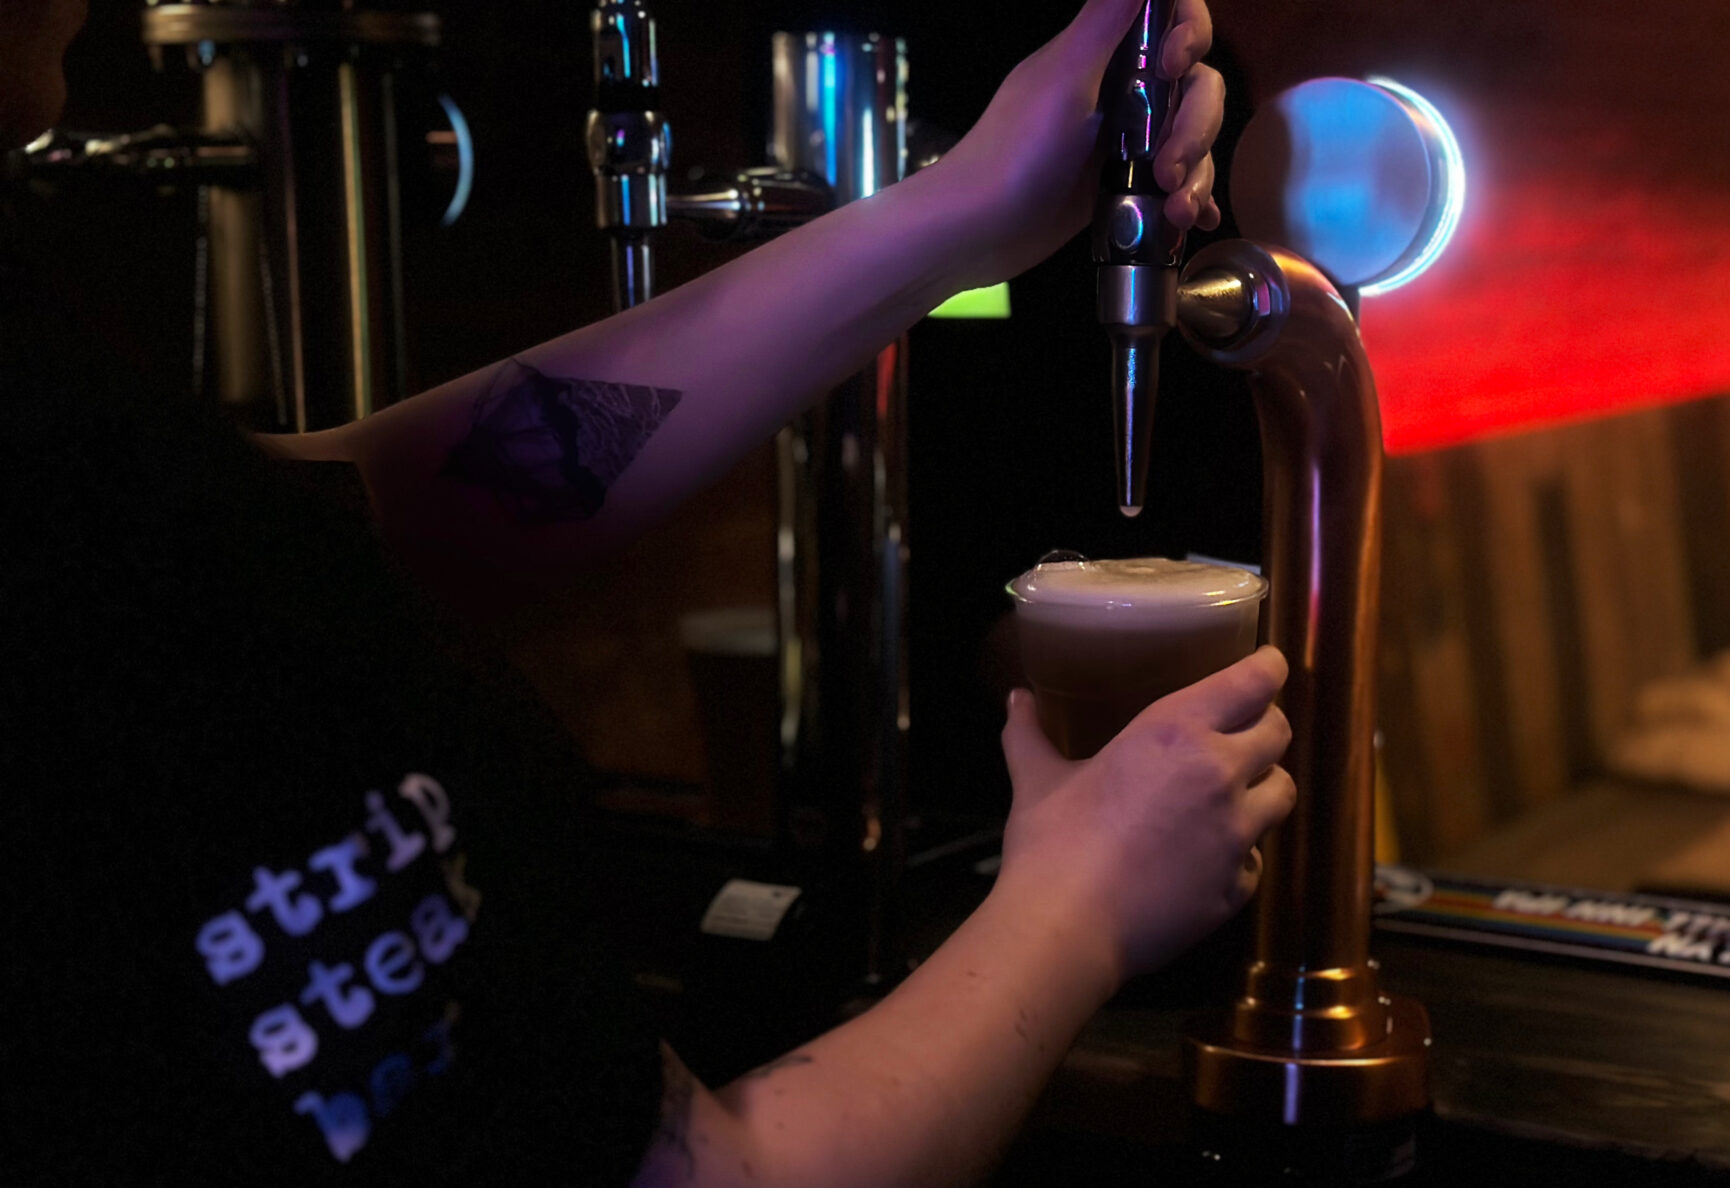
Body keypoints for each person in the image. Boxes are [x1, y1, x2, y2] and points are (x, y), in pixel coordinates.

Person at [0, 0, 1294, 1183]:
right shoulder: (109, 558)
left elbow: (368, 511)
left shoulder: (97, 476)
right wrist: (1077, 904)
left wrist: (957, 213)